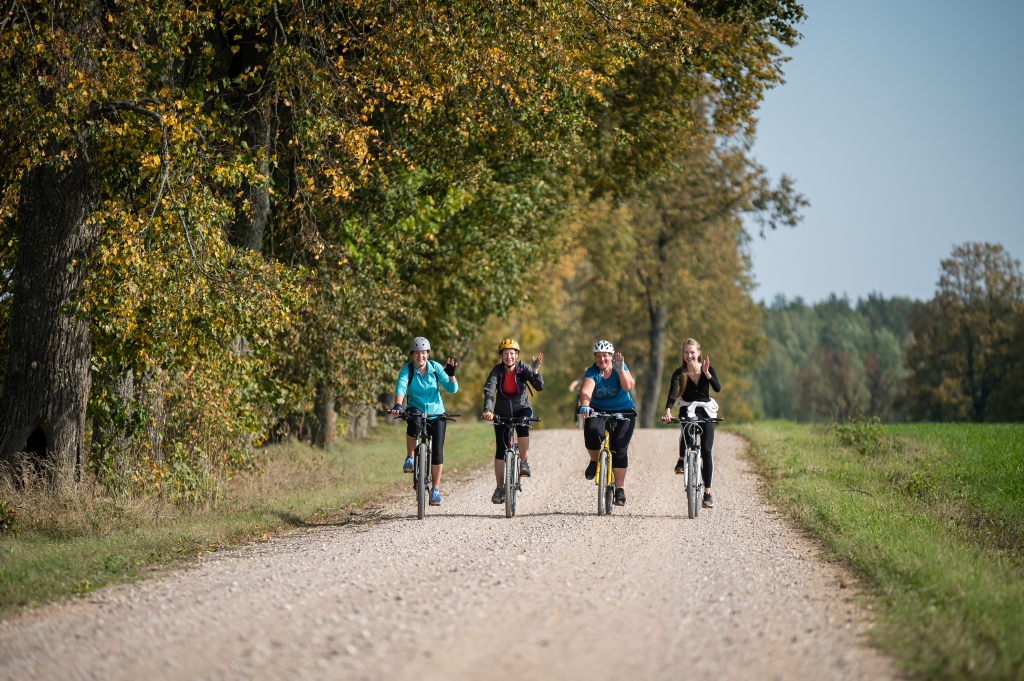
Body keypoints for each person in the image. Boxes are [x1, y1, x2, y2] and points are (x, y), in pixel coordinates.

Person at [389, 337, 459, 506]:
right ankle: (410, 457)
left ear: (428, 354)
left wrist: (451, 376)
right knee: (413, 421)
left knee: (438, 452)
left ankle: (435, 490)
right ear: (412, 355)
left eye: (423, 353)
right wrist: (399, 403)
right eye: (417, 353)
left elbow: (452, 390)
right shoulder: (408, 370)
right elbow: (401, 386)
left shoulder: (435, 368)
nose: (420, 356)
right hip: (416, 408)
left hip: (437, 412)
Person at [482, 339, 544, 504]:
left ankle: (524, 462)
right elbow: (489, 390)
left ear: (516, 355)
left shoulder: (523, 368)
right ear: (501, 356)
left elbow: (539, 387)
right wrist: (487, 410)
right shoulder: (497, 371)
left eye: (512, 353)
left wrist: (535, 371)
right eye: (505, 353)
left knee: (523, 427)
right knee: (500, 449)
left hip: (522, 408)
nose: (509, 356)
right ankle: (499, 487)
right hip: (501, 412)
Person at [661, 337, 720, 509]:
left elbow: (717, 388)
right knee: (685, 429)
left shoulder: (707, 369)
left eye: (692, 352)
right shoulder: (679, 373)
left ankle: (707, 493)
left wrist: (708, 374)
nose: (689, 356)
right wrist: (668, 410)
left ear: (699, 353)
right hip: (687, 408)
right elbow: (673, 393)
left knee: (707, 451)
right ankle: (682, 459)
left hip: (705, 410)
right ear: (683, 354)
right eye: (686, 352)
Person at [578, 340, 637, 506]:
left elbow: (628, 386)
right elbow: (586, 390)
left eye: (605, 356)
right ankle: (595, 460)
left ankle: (619, 489)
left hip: (624, 410)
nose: (602, 359)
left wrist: (621, 371)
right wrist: (585, 406)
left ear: (611, 357)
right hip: (598, 410)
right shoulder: (592, 371)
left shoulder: (620, 367)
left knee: (619, 449)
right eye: (598, 356)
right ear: (595, 358)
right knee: (590, 430)